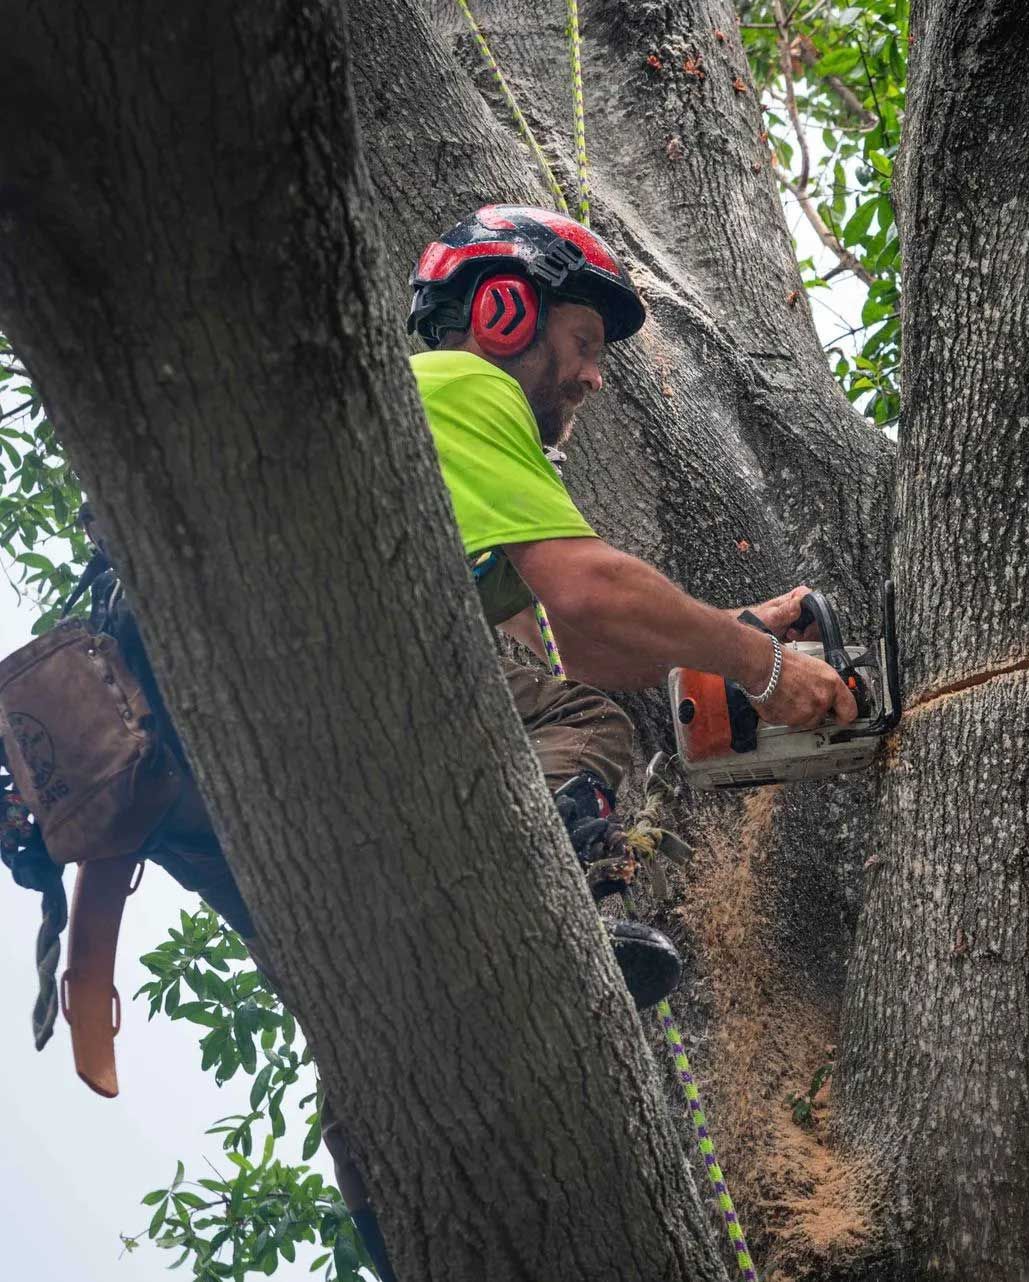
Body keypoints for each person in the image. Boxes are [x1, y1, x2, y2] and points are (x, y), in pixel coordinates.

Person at [124, 203, 857, 1280]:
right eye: (583, 345)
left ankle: (395, 1199)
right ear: (506, 309)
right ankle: (565, 892)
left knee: (377, 1023)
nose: (594, 379)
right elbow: (591, 606)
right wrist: (768, 672)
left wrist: (733, 634)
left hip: (218, 773)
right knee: (580, 726)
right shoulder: (460, 385)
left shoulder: (430, 471)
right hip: (275, 689)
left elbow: (581, 638)